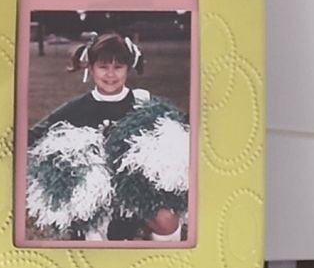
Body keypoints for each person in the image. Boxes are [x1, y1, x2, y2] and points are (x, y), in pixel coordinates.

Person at [24, 25, 192, 243]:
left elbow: (178, 126)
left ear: (127, 68)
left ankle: (164, 263)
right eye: (103, 67)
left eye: (118, 67)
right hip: (95, 193)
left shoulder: (143, 101)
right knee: (96, 239)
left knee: (167, 221)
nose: (111, 74)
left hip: (135, 191)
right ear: (91, 69)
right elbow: (36, 134)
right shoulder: (76, 108)